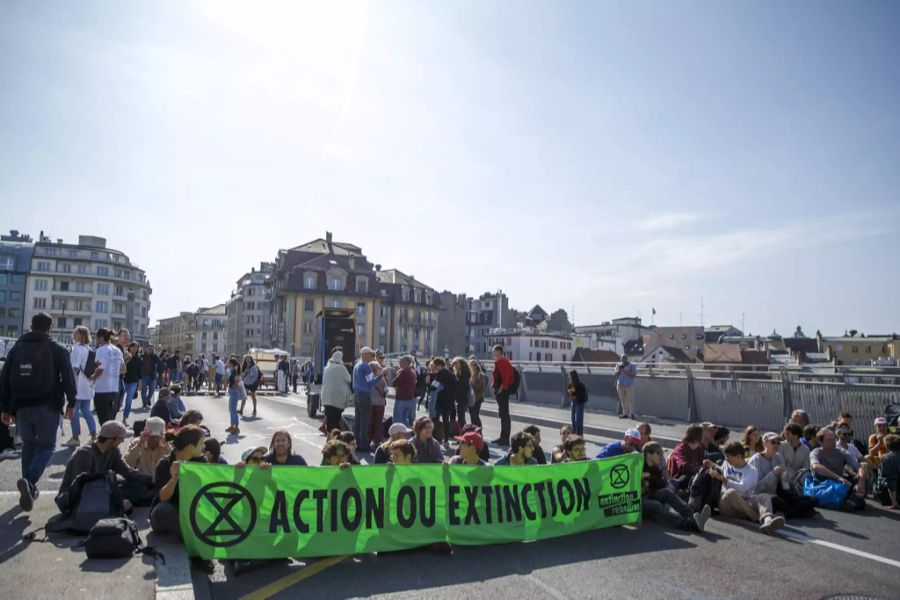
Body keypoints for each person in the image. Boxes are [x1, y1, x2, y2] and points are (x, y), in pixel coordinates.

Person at [0, 312, 77, 512]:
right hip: (47, 405)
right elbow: (68, 377)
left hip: (21, 406)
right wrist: (72, 402)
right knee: (46, 447)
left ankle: (29, 488)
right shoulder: (56, 349)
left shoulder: (16, 348)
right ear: (50, 328)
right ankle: (30, 480)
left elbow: (5, 380)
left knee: (29, 445)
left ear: (31, 327)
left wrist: (5, 408)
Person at [58, 420, 141, 510]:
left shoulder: (112, 450)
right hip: (76, 500)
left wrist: (152, 479)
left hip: (98, 491)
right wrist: (116, 503)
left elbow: (127, 472)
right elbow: (80, 488)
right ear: (111, 439)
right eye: (120, 438)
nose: (123, 441)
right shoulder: (85, 454)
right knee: (124, 505)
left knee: (136, 489)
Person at [708, 441, 785, 534]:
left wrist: (723, 479)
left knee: (764, 497)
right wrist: (713, 465)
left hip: (744, 502)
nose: (726, 460)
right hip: (727, 504)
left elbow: (743, 488)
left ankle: (768, 520)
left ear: (739, 457)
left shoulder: (752, 471)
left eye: (728, 458)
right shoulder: (727, 463)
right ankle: (756, 517)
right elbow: (722, 470)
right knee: (730, 492)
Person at [150, 425, 208, 538]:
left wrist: (238, 470)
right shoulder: (164, 464)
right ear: (191, 447)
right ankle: (193, 536)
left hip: (192, 511)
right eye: (202, 443)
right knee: (162, 511)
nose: (204, 447)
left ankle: (194, 532)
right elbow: (163, 498)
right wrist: (174, 478)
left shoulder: (201, 462)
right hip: (171, 510)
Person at [642, 441, 711, 533]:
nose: (661, 456)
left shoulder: (655, 468)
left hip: (648, 495)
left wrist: (650, 477)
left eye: (662, 453)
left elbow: (661, 484)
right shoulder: (638, 466)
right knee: (656, 505)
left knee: (667, 492)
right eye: (658, 453)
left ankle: (694, 516)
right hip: (637, 501)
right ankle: (690, 524)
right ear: (649, 454)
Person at [810, 428, 867, 511]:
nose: (833, 442)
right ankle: (843, 503)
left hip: (839, 485)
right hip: (822, 485)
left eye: (834, 439)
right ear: (821, 442)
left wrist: (861, 482)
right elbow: (816, 466)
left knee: (860, 498)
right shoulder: (816, 452)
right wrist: (838, 478)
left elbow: (859, 467)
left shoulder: (842, 452)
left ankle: (847, 501)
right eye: (830, 440)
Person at [65, 325, 97, 447]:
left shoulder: (76, 349)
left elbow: (75, 368)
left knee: (74, 411)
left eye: (75, 332)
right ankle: (94, 434)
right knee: (86, 411)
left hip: (78, 385)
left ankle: (75, 437)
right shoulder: (89, 349)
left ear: (79, 335)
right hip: (88, 385)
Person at [92, 327, 124, 424]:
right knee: (110, 418)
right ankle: (110, 437)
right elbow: (123, 369)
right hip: (114, 388)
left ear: (101, 338)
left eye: (97, 337)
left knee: (103, 420)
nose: (96, 340)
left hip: (102, 389)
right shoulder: (117, 350)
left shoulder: (101, 350)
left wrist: (92, 378)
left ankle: (106, 438)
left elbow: (100, 369)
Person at [352, 347, 380, 453]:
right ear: (365, 355)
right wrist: (381, 375)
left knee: (358, 420)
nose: (372, 356)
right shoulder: (366, 366)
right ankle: (364, 445)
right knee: (365, 421)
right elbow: (371, 382)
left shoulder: (357, 365)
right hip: (365, 395)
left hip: (357, 394)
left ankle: (357, 443)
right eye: (370, 354)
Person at [429, 357, 458, 449]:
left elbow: (434, 387)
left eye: (435, 365)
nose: (435, 367)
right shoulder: (450, 373)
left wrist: (430, 385)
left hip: (441, 400)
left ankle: (435, 439)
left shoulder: (441, 373)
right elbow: (454, 386)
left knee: (435, 420)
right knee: (446, 421)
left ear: (438, 365)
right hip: (449, 400)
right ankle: (446, 440)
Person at [667, 425, 706, 489]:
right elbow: (683, 466)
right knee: (687, 477)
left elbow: (702, 463)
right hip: (680, 477)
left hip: (695, 475)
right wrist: (698, 470)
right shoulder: (680, 449)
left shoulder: (699, 450)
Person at [490, 345, 515, 446]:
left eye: (494, 351)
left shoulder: (501, 361)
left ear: (499, 351)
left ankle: (504, 439)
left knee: (504, 415)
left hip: (503, 392)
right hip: (503, 391)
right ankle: (503, 437)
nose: (493, 353)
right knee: (503, 414)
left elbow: (506, 377)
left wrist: (500, 390)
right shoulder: (503, 361)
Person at [322, 350, 351, 432]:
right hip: (336, 400)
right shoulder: (341, 368)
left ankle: (329, 439)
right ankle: (334, 441)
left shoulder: (327, 368)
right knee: (335, 422)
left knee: (330, 421)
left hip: (326, 398)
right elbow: (349, 379)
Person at [391, 355, 418, 428]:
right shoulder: (413, 372)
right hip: (410, 398)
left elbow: (394, 383)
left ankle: (397, 437)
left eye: (400, 361)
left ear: (405, 362)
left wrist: (396, 374)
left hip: (401, 399)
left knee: (397, 420)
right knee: (405, 421)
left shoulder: (404, 372)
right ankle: (407, 436)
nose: (399, 363)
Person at [876, 435, 899, 509]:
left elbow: (889, 481)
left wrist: (894, 502)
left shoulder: (886, 458)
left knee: (884, 477)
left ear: (887, 446)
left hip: (893, 494)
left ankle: (894, 502)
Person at [121, 341, 141, 426]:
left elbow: (139, 371)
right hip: (124, 380)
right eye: (134, 347)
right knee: (119, 399)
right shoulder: (125, 355)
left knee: (128, 400)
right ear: (130, 347)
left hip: (133, 381)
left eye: (137, 347)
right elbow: (121, 365)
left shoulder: (138, 358)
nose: (135, 349)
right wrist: (126, 359)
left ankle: (125, 418)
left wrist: (140, 383)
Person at [368, 361, 388, 448]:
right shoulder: (381, 379)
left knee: (370, 423)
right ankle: (376, 442)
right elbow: (386, 390)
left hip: (370, 404)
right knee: (378, 423)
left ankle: (368, 441)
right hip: (380, 404)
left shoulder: (368, 378)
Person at [614, 354, 637, 419]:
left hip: (629, 385)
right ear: (620, 359)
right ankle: (625, 413)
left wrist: (624, 370)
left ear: (627, 359)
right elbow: (615, 374)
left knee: (630, 400)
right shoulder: (618, 365)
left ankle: (631, 413)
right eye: (622, 359)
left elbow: (633, 375)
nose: (623, 360)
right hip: (620, 385)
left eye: (624, 359)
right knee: (622, 399)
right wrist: (619, 370)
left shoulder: (632, 365)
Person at [451, 357, 472, 429]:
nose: (455, 366)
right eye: (454, 364)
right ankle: (463, 434)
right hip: (459, 399)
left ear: (461, 364)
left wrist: (453, 394)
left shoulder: (464, 375)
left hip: (462, 399)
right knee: (460, 418)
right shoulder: (458, 374)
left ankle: (464, 435)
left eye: (456, 364)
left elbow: (461, 389)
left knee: (461, 419)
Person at [567, 370, 588, 435]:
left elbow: (581, 395)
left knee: (578, 421)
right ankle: (574, 434)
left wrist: (575, 397)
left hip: (579, 403)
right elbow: (570, 394)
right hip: (573, 403)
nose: (569, 377)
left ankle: (579, 435)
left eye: (570, 376)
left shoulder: (580, 384)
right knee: (573, 419)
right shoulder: (571, 384)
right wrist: (569, 393)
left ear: (573, 376)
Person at [225, 358, 242, 434]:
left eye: (228, 362)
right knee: (231, 409)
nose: (227, 363)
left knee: (233, 410)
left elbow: (236, 381)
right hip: (232, 391)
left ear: (231, 364)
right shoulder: (231, 371)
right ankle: (232, 426)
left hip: (234, 391)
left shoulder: (234, 371)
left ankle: (236, 427)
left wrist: (234, 386)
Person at [468, 359, 486, 428]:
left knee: (475, 415)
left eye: (471, 366)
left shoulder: (480, 374)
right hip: (471, 398)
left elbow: (482, 387)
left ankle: (479, 429)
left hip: (478, 398)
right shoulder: (471, 374)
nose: (470, 367)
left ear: (475, 366)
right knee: (472, 415)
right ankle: (474, 429)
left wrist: (472, 385)